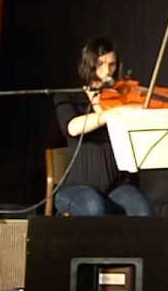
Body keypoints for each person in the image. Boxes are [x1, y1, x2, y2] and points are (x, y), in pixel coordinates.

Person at [53, 36, 153, 216]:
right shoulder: (69, 97)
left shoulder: (119, 98)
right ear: (89, 64)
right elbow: (72, 127)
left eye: (112, 65)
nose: (107, 71)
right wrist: (108, 114)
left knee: (142, 212)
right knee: (94, 207)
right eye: (101, 64)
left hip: (118, 186)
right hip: (77, 187)